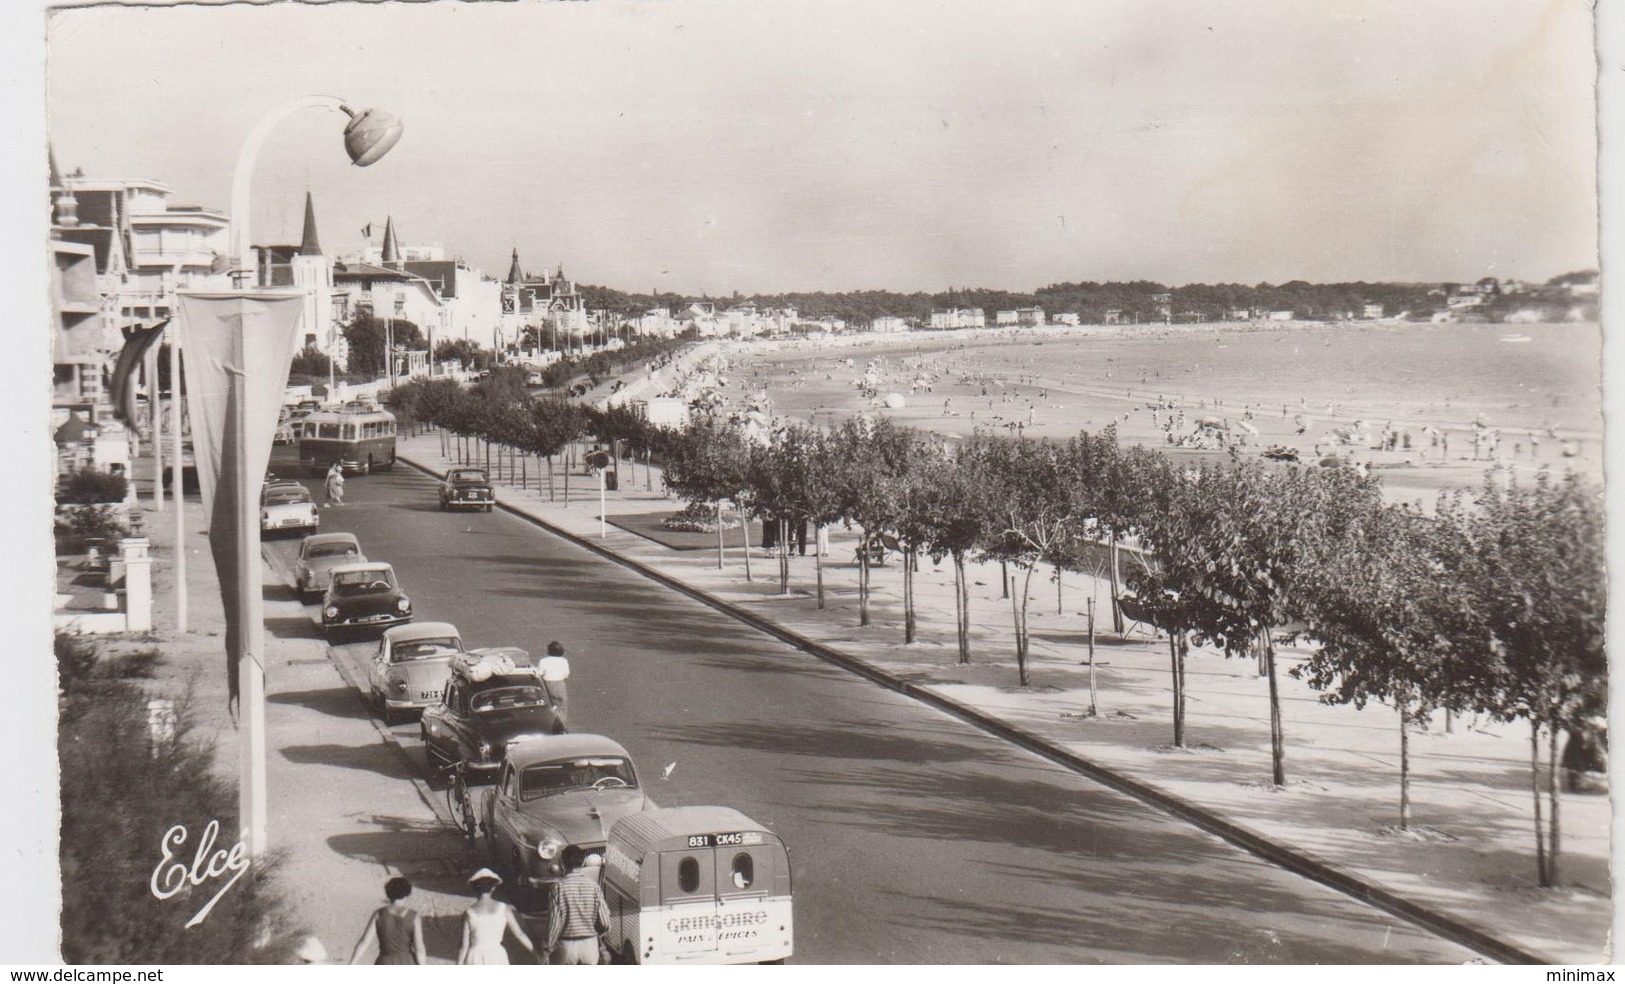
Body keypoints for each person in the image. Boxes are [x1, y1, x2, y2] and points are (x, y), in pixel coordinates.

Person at [546, 846, 611, 965]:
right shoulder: (594, 887)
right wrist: (597, 935)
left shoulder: (558, 888)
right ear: (583, 862)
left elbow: (554, 924)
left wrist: (547, 949)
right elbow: (605, 922)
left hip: (566, 947)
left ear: (562, 863)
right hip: (590, 946)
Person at [459, 868, 537, 965]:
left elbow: (464, 946)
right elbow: (519, 934)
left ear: (474, 888)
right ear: (493, 888)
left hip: (475, 957)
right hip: (496, 956)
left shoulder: (469, 913)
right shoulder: (503, 909)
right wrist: (535, 953)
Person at [349, 876, 426, 965]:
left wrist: (351, 964)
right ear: (407, 894)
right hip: (407, 962)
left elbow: (364, 942)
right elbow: (419, 949)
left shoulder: (379, 914)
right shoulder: (414, 917)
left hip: (384, 961)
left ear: (388, 893)